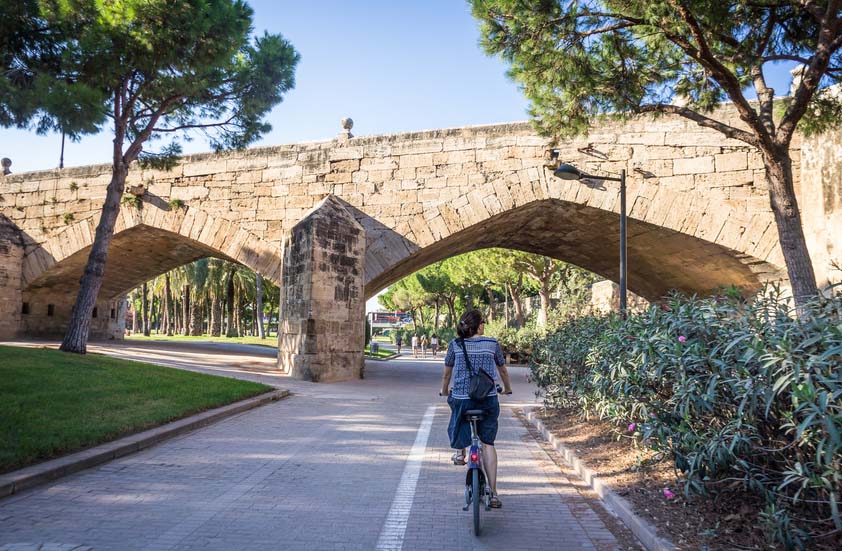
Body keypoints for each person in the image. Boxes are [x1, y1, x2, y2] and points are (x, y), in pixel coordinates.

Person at [440, 309, 512, 508]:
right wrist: (507, 389)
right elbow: (502, 370)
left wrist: (444, 390)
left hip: (462, 398)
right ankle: (494, 493)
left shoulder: (455, 345)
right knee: (488, 443)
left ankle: (460, 452)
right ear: (479, 325)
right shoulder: (492, 344)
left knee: (457, 413)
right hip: (487, 398)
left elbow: (447, 375)